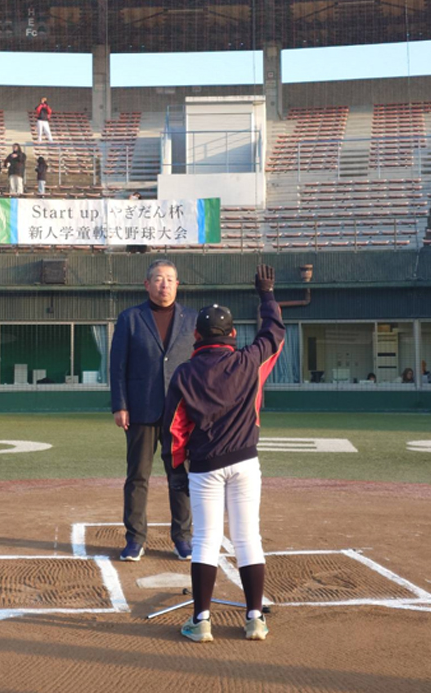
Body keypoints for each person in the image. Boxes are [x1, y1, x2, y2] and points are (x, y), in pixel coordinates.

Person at [162, 265, 285, 644]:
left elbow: (174, 430)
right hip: (245, 462)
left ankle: (201, 621)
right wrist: (266, 294)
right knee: (248, 538)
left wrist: (176, 473)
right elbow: (274, 334)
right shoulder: (248, 360)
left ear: (196, 336)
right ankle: (254, 619)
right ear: (232, 334)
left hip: (205, 467)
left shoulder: (184, 373)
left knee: (205, 540)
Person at [110, 259, 196, 562]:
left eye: (170, 279)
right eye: (158, 279)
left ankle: (183, 538)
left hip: (180, 413)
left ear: (177, 284)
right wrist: (120, 405)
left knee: (180, 477)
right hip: (140, 410)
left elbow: (200, 365)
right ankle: (135, 540)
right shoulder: (130, 318)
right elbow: (117, 366)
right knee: (137, 477)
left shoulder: (192, 319)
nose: (164, 284)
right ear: (147, 284)